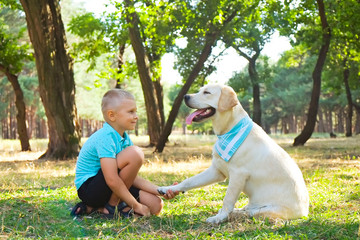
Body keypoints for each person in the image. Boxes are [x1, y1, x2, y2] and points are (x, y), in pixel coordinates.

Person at [71, 89, 177, 218]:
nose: (136, 116)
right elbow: (111, 178)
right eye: (131, 112)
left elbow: (131, 178)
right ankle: (111, 207)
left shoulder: (125, 139)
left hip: (110, 185)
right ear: (112, 115)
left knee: (155, 205)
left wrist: (161, 190)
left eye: (135, 111)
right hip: (91, 190)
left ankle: (93, 209)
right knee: (135, 153)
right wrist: (137, 206)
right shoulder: (105, 137)